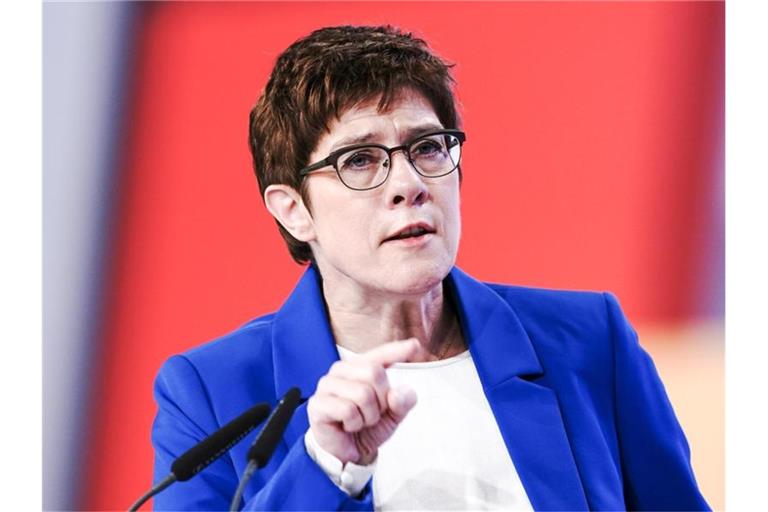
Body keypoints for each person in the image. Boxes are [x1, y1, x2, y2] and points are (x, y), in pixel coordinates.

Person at [151, 25, 710, 511]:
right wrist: (326, 466)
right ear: (294, 210)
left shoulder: (586, 341)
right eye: (359, 160)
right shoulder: (212, 393)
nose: (409, 184)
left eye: (427, 147)